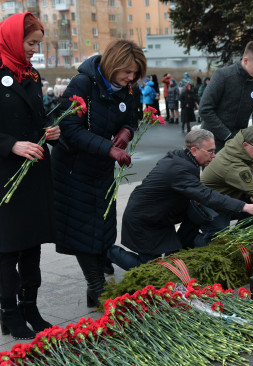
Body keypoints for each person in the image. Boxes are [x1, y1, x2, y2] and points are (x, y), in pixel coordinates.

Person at [51, 39, 146, 308]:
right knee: (82, 228)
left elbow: (132, 117)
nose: (131, 78)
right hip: (73, 168)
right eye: (127, 72)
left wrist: (127, 131)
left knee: (102, 226)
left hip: (100, 167)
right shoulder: (83, 84)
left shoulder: (128, 89)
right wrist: (109, 149)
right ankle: (97, 286)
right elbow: (70, 128)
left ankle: (96, 288)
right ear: (113, 64)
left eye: (135, 73)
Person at [108, 129, 253, 270]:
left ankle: (184, 246)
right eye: (210, 151)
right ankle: (106, 252)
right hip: (145, 222)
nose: (214, 156)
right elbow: (207, 195)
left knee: (197, 215)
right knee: (146, 266)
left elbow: (199, 194)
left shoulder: (184, 159)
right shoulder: (180, 169)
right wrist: (244, 207)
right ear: (194, 150)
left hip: (160, 217)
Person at [0, 12, 60, 340]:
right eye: (31, 43)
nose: (36, 50)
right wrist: (11, 145)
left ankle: (30, 306)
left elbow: (37, 116)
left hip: (34, 173)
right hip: (6, 175)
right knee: (8, 248)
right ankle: (8, 311)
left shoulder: (32, 75)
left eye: (38, 43)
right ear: (12, 39)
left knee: (32, 246)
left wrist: (51, 129)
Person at [200, 40, 253, 151]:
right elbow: (205, 109)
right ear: (246, 60)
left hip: (238, 140)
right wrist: (227, 136)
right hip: (213, 141)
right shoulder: (223, 76)